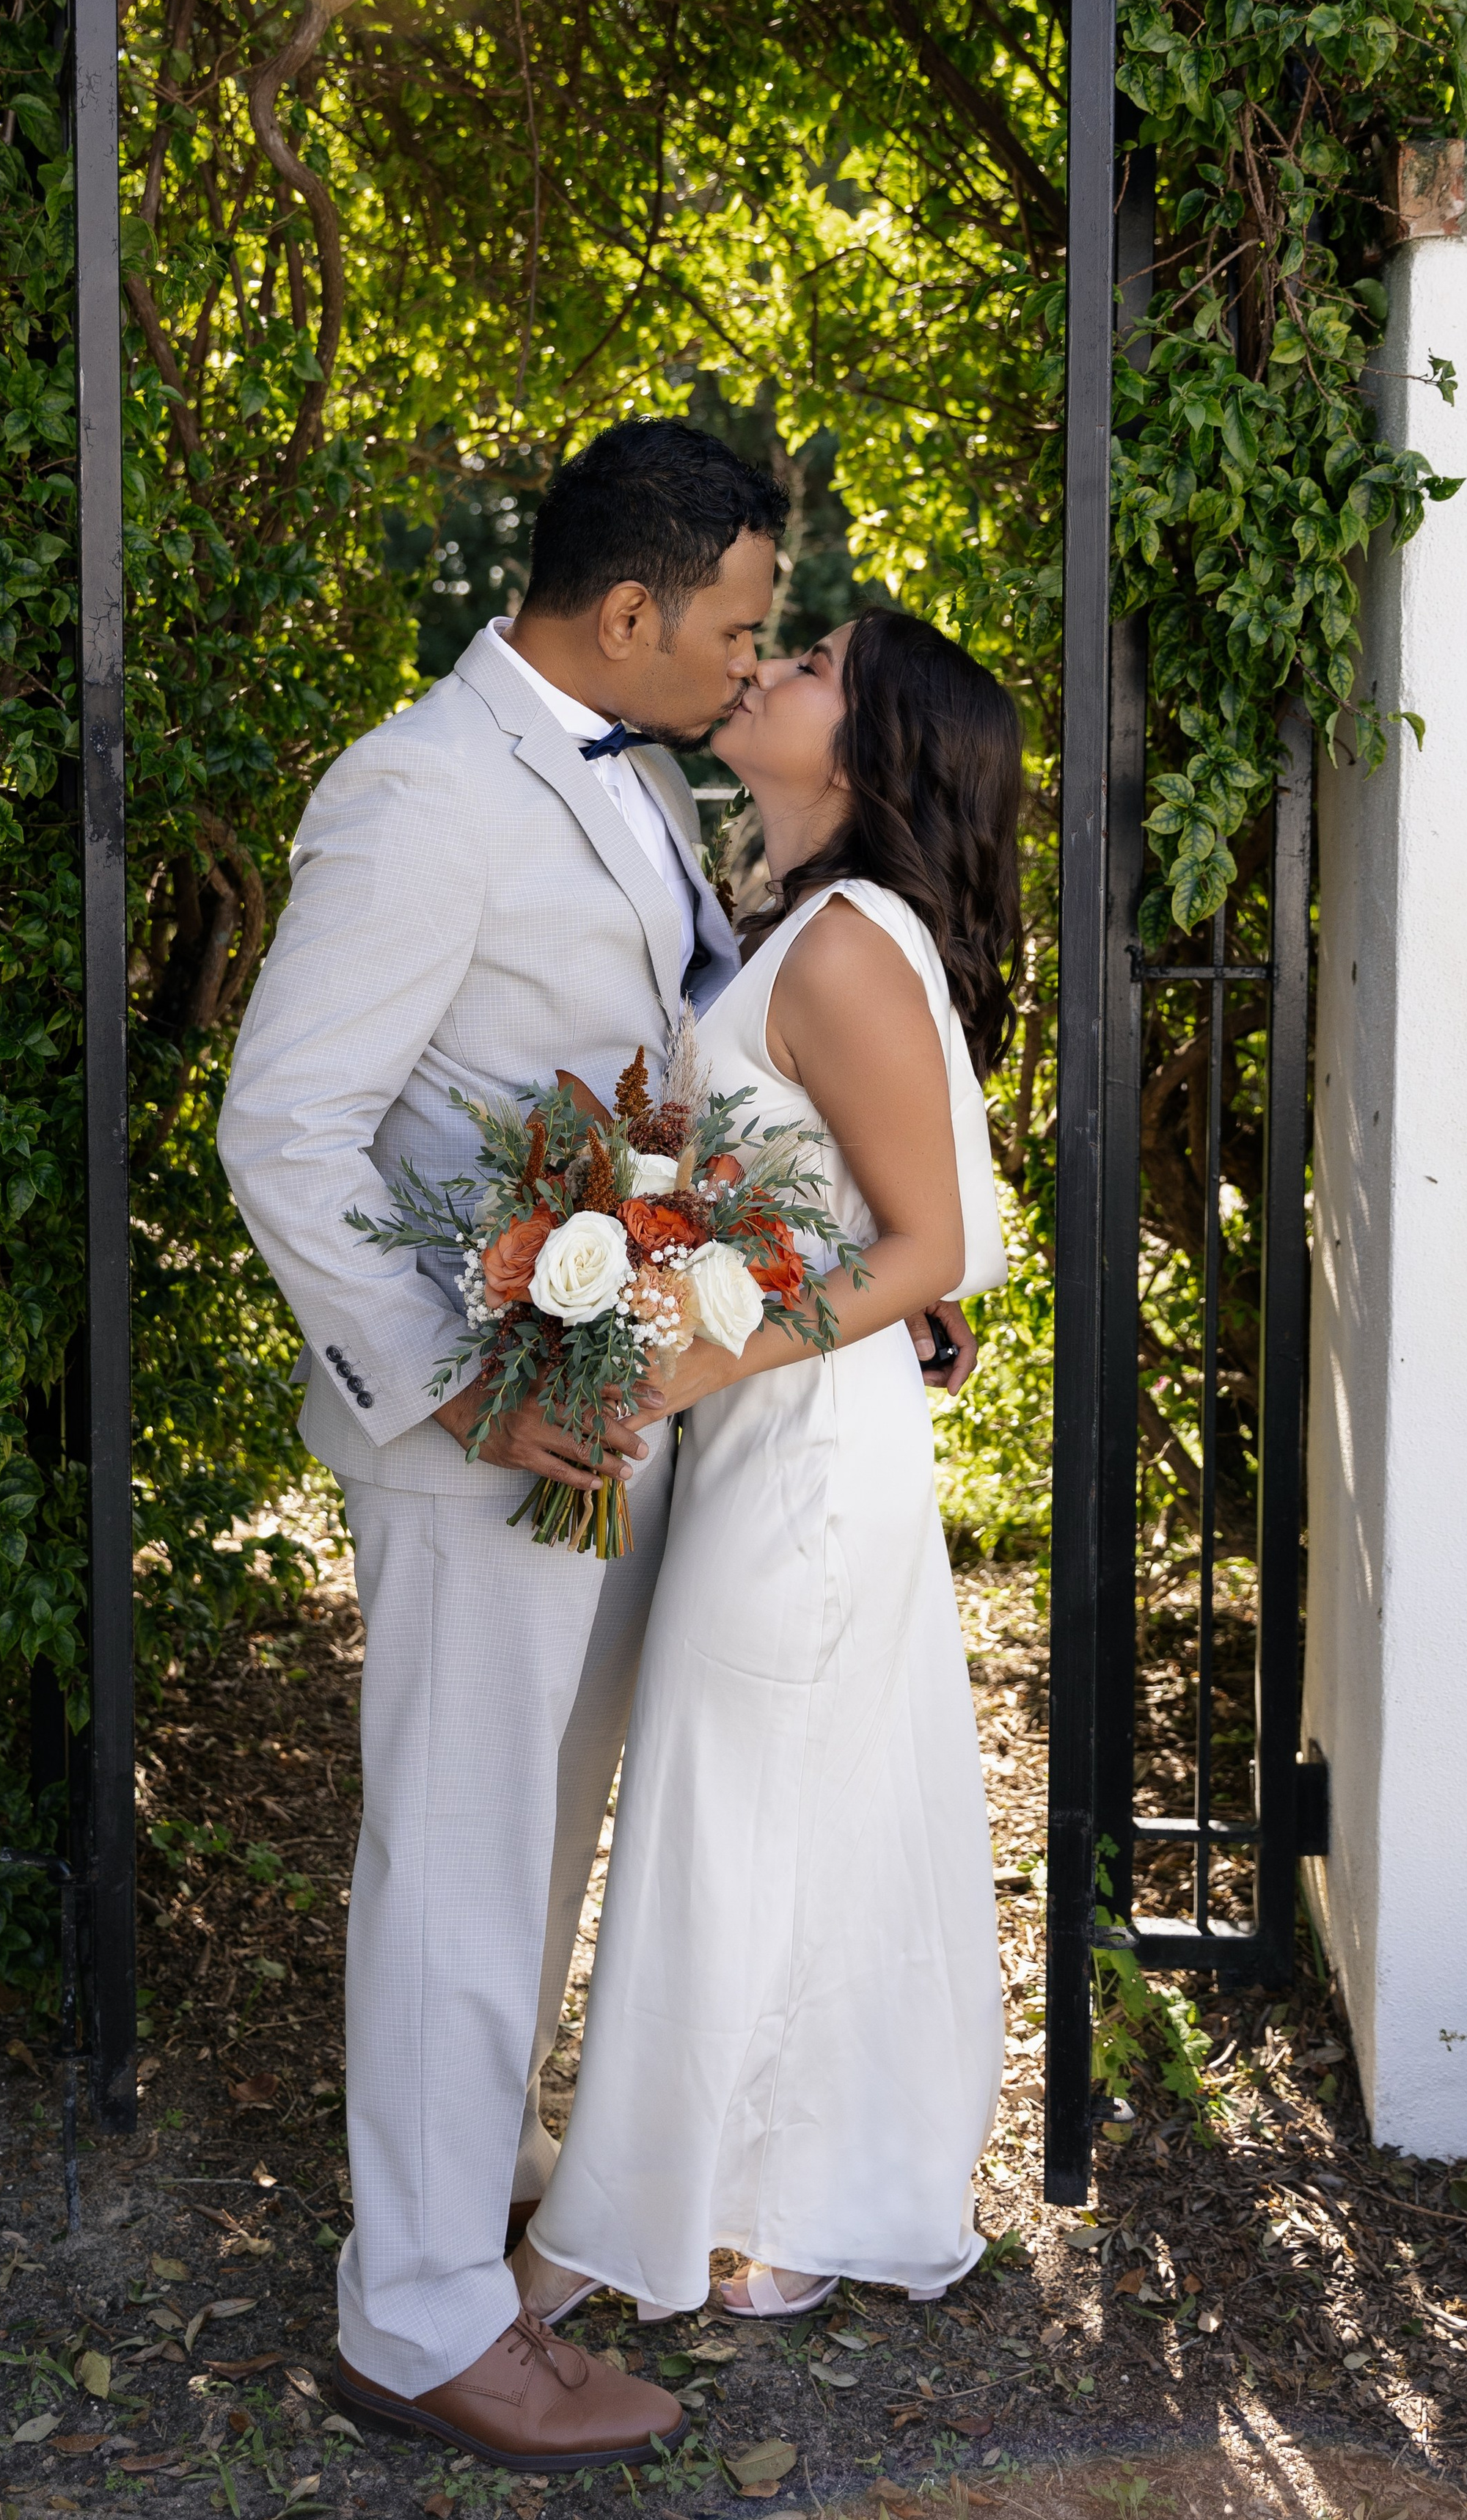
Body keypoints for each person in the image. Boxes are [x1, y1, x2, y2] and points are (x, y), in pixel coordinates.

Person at [220, 422, 978, 2472]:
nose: (750, 663)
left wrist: (833, 1270)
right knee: (460, 1868)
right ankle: (416, 2322)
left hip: (612, 1423)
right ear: (628, 610)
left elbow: (707, 1072)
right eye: (736, 626)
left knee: (532, 1855)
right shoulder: (418, 793)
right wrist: (459, 1389)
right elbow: (281, 1126)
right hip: (480, 1433)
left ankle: (470, 2200)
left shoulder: (638, 781)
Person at [511, 607, 1021, 2326]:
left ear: (867, 753)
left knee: (720, 1822)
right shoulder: (790, 921)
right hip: (766, 1429)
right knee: (795, 1812)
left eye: (811, 667)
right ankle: (810, 2191)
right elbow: (865, 1214)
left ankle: (601, 2234)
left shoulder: (844, 944)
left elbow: (928, 1242)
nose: (769, 667)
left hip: (797, 1455)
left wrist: (685, 1357)